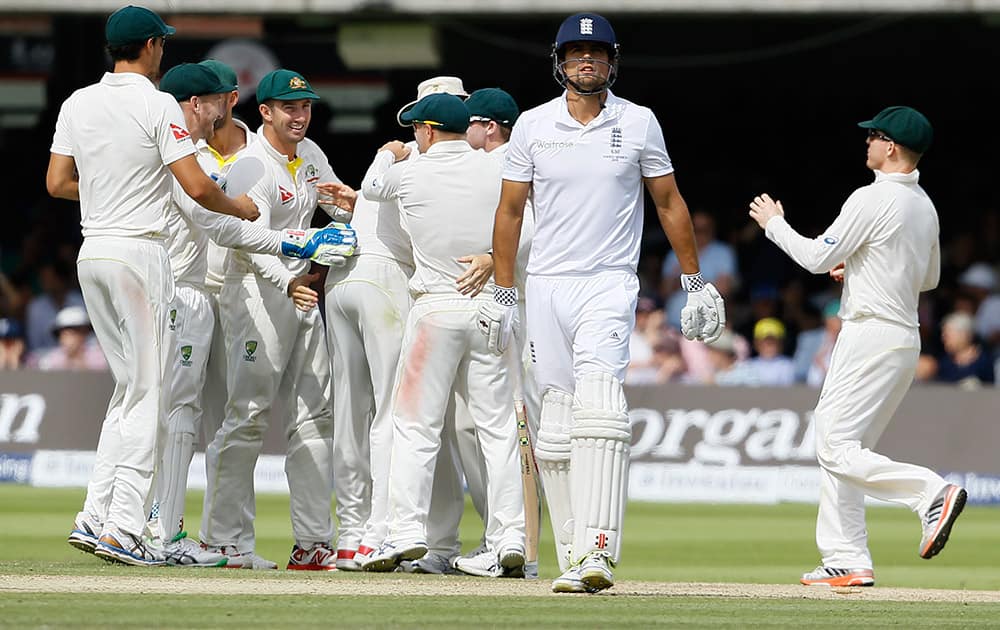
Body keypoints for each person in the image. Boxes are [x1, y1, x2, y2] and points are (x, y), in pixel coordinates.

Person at [480, 12, 725, 593]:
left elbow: (668, 202)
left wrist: (695, 280)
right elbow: (510, 212)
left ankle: (599, 552)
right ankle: (571, 556)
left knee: (600, 407)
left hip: (609, 281)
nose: (586, 61)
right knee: (557, 422)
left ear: (612, 61)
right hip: (546, 285)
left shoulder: (638, 122)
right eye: (575, 52)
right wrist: (504, 289)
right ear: (559, 62)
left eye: (596, 53)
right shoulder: (535, 126)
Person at [47, 5, 258, 567]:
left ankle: (95, 515)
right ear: (148, 46)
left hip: (94, 251)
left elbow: (57, 182)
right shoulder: (157, 102)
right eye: (161, 44)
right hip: (141, 253)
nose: (164, 52)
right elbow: (195, 185)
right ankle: (123, 527)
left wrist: (111, 190)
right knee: (150, 393)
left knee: (128, 389)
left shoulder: (77, 101)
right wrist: (240, 206)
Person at [748, 105, 967, 587]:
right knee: (843, 442)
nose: (866, 142)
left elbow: (813, 257)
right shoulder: (924, 204)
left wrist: (774, 223)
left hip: (869, 334)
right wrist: (866, 267)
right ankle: (846, 557)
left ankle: (930, 493)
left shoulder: (871, 198)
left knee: (834, 445)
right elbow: (926, 277)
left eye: (873, 136)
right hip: (901, 338)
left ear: (890, 146)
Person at [151, 62, 355, 569]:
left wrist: (353, 206)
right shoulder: (253, 164)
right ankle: (223, 540)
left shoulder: (309, 156)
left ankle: (313, 543)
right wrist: (288, 279)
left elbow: (337, 212)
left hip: (304, 291)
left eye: (306, 106)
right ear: (264, 112)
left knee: (314, 418)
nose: (300, 116)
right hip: (257, 294)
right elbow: (245, 240)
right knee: (246, 417)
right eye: (289, 108)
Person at [359, 93, 526, 576]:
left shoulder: (410, 171)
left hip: (434, 306)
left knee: (416, 426)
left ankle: (407, 530)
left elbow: (371, 188)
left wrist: (388, 153)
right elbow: (528, 226)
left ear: (428, 131)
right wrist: (494, 261)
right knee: (497, 430)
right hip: (488, 307)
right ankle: (509, 535)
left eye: (416, 131)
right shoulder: (496, 169)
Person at [325, 76, 468, 573]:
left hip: (343, 279)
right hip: (388, 280)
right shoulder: (434, 161)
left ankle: (351, 534)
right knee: (396, 415)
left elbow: (372, 200)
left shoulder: (392, 157)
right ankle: (379, 534)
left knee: (349, 412)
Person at [31, 305, 107, 371]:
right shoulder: (51, 360)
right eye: (63, 334)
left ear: (84, 333)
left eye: (72, 333)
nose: (66, 339)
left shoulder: (100, 358)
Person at [933, 311, 994, 386]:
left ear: (964, 335)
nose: (944, 339)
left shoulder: (984, 361)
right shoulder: (944, 362)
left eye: (947, 335)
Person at [745, 318, 796, 386]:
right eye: (765, 341)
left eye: (773, 342)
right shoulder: (748, 366)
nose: (769, 345)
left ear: (781, 343)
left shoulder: (789, 365)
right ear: (756, 343)